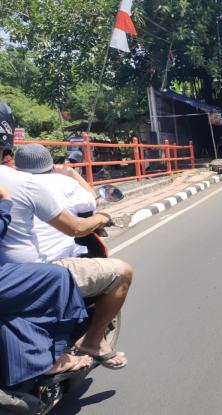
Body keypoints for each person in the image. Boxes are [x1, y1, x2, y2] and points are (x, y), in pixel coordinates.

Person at [0, 146, 132, 369]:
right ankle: (92, 341)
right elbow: (79, 225)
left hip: (10, 271)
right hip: (39, 271)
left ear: (15, 163)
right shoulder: (40, 184)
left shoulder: (10, 180)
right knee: (123, 272)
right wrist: (100, 216)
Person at [0, 185, 92, 387]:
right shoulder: (28, 184)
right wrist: (5, 203)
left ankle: (24, 363)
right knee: (58, 278)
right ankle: (56, 356)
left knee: (10, 307)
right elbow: (77, 223)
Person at [14, 144, 97, 262]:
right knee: (122, 271)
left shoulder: (10, 187)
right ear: (52, 166)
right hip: (64, 258)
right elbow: (93, 201)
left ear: (16, 168)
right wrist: (71, 172)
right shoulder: (64, 182)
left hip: (22, 265)